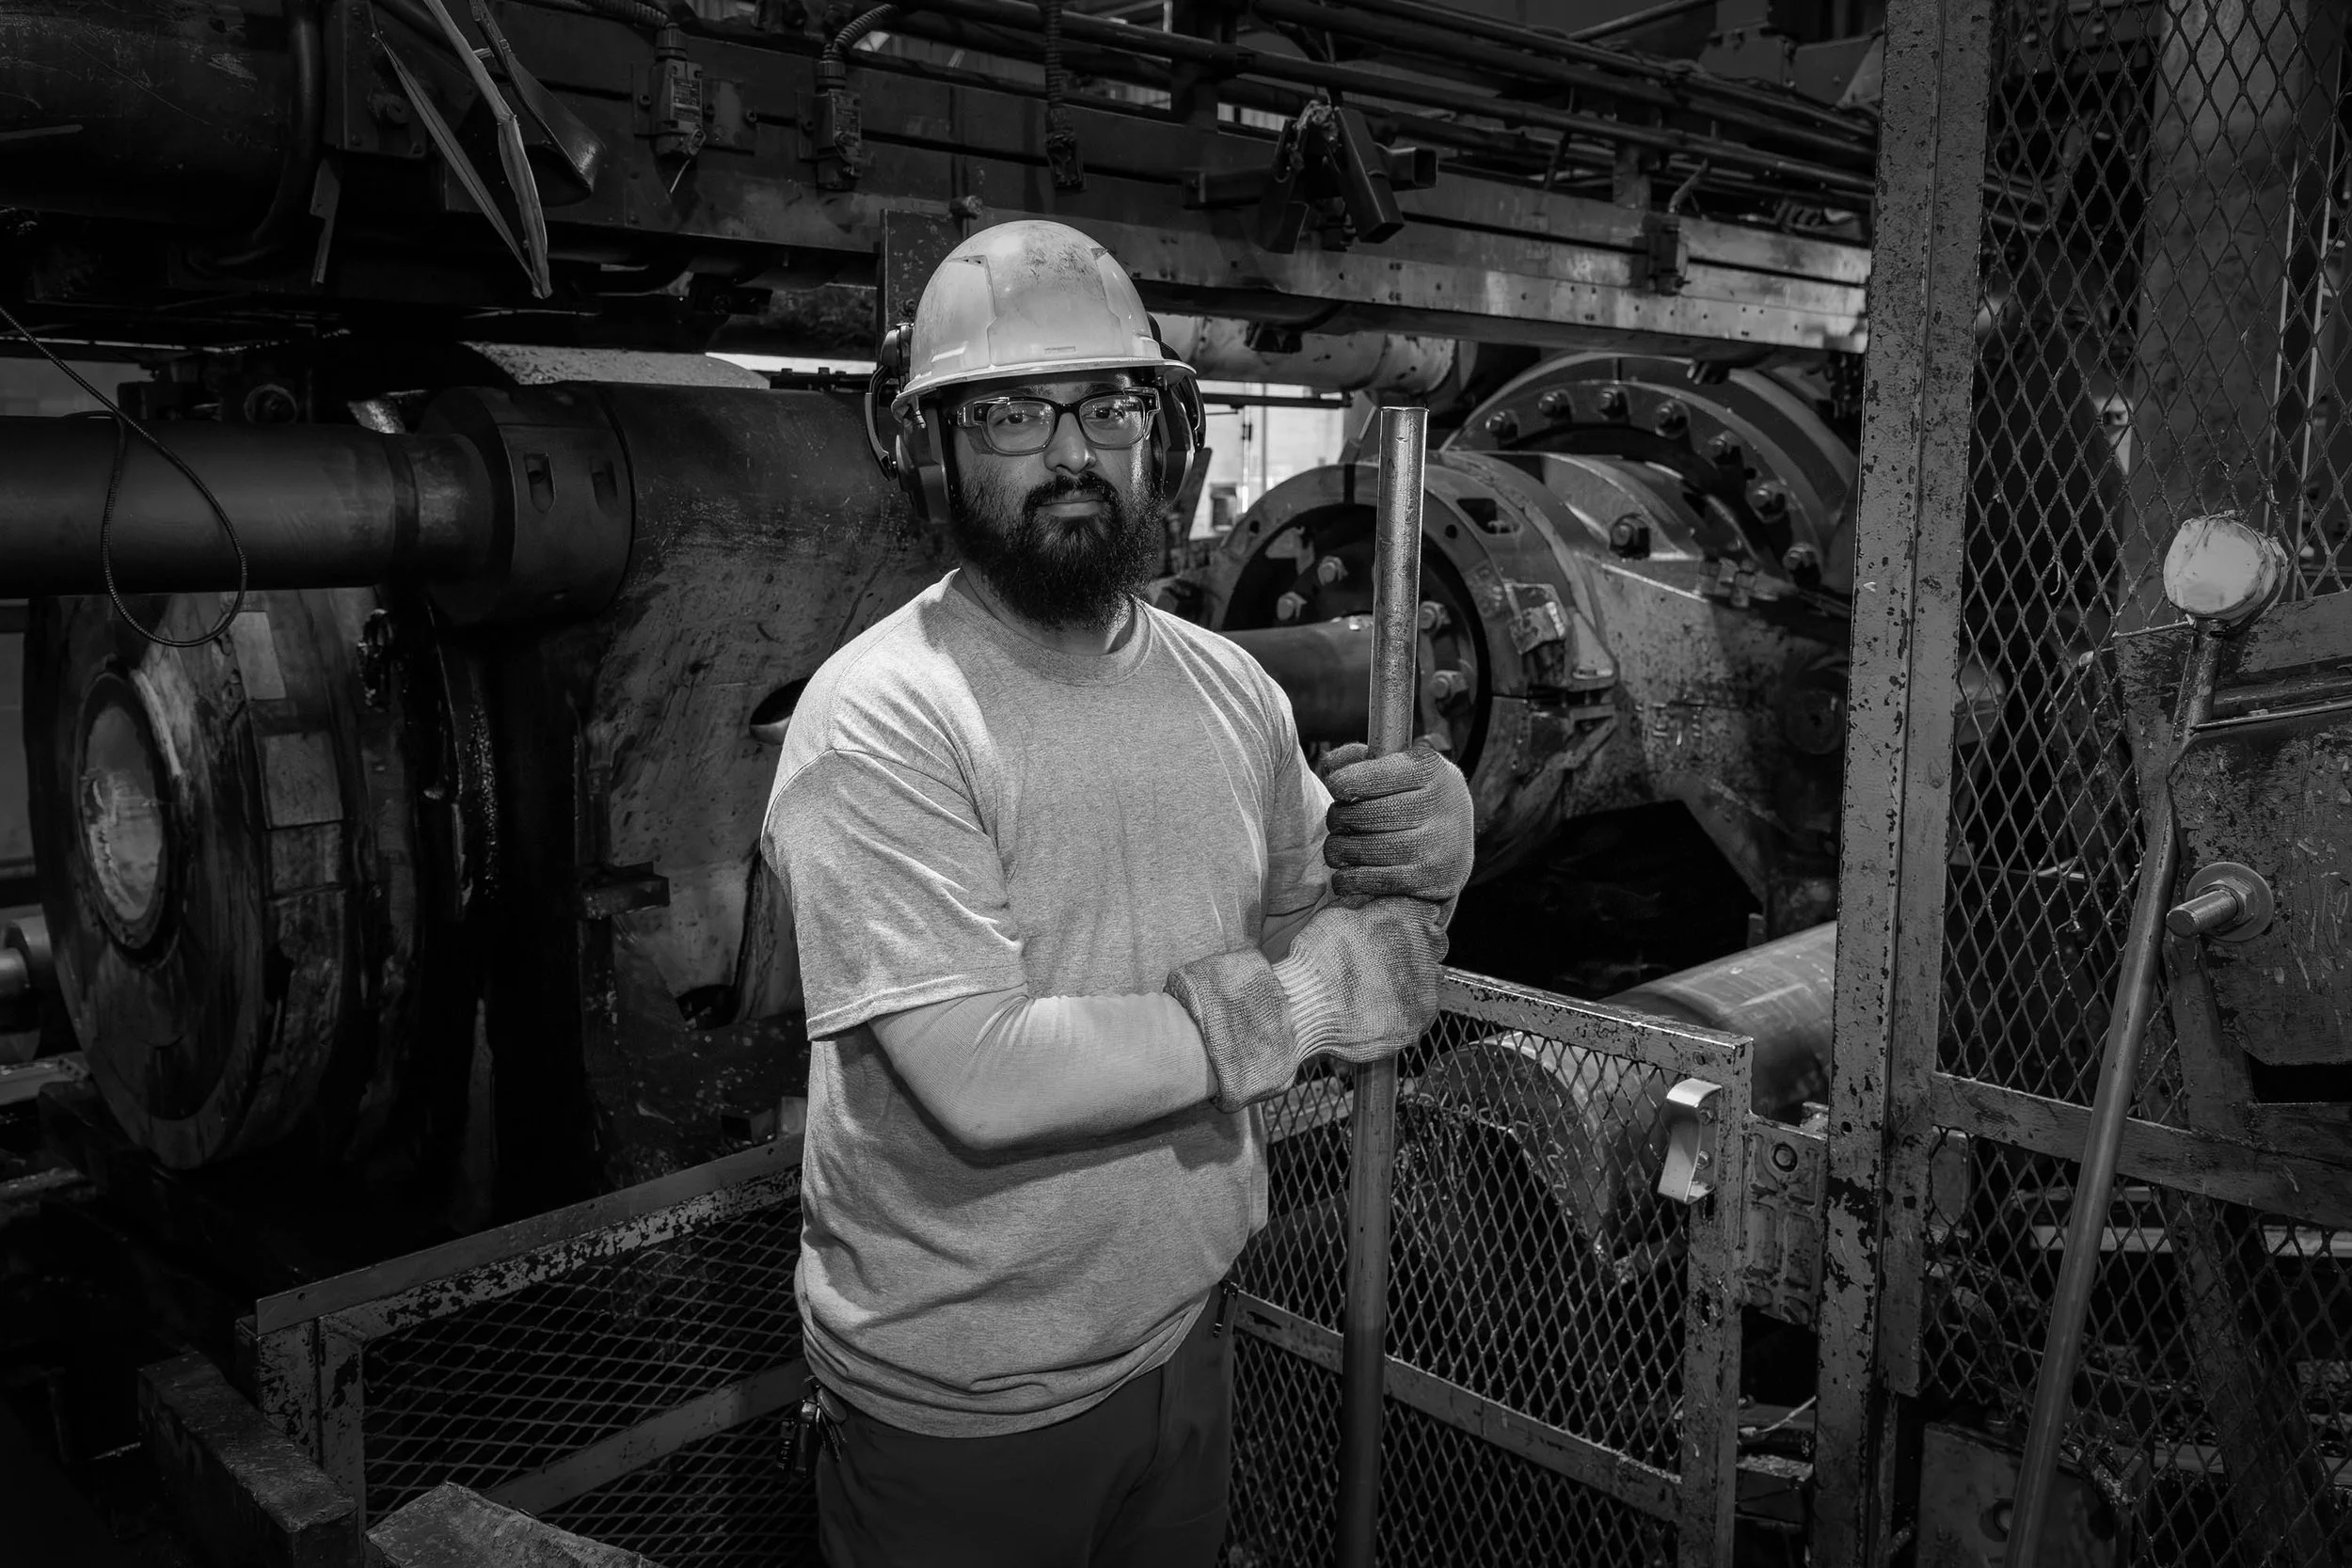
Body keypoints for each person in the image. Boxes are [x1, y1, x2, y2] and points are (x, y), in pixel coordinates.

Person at [760, 219, 1475, 1568]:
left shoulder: (1229, 688)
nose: (1073, 450)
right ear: (934, 446)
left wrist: (1429, 860)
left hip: (1182, 1341)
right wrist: (1303, 1001)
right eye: (1016, 412)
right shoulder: (884, 716)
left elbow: (1349, 944)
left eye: (1108, 403)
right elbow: (986, 1074)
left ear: (1164, 426)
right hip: (966, 1412)